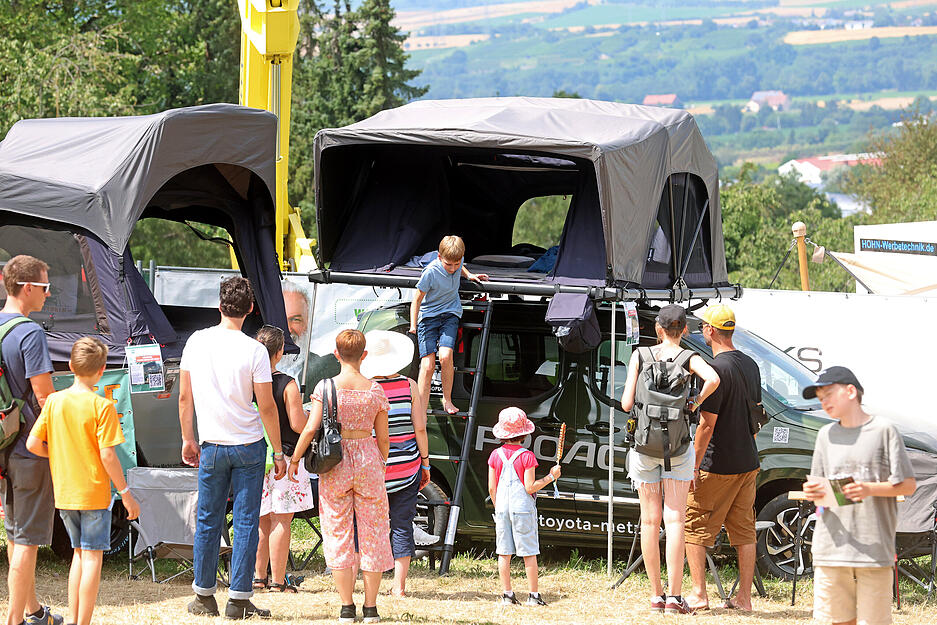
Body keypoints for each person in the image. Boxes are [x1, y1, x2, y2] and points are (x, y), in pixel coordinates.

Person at [178, 277, 286, 620]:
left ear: (219, 306)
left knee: (208, 521)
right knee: (246, 521)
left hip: (211, 443)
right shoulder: (254, 349)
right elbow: (266, 405)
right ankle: (239, 599)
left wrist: (187, 438)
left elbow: (185, 397)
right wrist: (279, 451)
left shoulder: (197, 341)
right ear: (251, 309)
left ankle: (204, 596)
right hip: (250, 446)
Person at [26, 337, 141, 625]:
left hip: (64, 491)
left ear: (70, 365)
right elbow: (108, 456)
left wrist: (57, 457)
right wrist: (126, 493)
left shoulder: (53, 401)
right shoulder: (102, 406)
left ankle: (76, 619)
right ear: (102, 370)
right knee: (92, 558)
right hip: (94, 493)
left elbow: (32, 444)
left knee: (78, 554)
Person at [619, 304, 719, 615]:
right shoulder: (691, 359)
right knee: (675, 519)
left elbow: (625, 404)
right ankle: (676, 598)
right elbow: (714, 379)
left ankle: (656, 595)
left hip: (644, 447)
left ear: (658, 329)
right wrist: (694, 402)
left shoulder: (640, 356)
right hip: (678, 448)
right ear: (685, 329)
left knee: (649, 521)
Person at [289, 329, 394, 624]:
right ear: (364, 355)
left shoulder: (325, 388)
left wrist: (296, 458)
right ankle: (371, 607)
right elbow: (384, 439)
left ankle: (347, 606)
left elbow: (310, 429)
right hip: (368, 460)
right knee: (373, 532)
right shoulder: (375, 390)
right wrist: (380, 461)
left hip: (334, 462)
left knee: (337, 531)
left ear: (336, 355)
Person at [801, 367, 915, 625]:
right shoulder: (825, 435)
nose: (824, 402)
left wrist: (869, 489)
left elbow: (908, 485)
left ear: (851, 391)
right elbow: (821, 490)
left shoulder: (884, 430)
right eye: (820, 398)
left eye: (829, 394)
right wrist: (814, 492)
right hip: (830, 548)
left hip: (872, 549)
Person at [685, 304, 762, 611]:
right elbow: (756, 416)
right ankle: (744, 599)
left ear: (711, 331)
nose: (702, 329)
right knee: (744, 530)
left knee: (695, 526)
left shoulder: (715, 370)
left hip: (716, 465)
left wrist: (692, 464)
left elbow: (706, 424)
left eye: (703, 326)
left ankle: (699, 595)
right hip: (747, 462)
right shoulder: (751, 364)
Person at [0, 255, 63, 625]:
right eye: (44, 286)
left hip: (3, 445)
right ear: (27, 288)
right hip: (29, 447)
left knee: (14, 533)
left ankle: (32, 610)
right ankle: (13, 620)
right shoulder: (30, 332)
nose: (48, 293)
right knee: (26, 541)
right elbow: (45, 398)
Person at [361, 330, 431, 597]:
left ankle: (371, 582)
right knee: (402, 524)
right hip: (407, 467)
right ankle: (399, 587)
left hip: (374, 468)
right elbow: (420, 428)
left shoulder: (366, 386)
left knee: (373, 525)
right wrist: (424, 462)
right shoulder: (409, 385)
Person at [252, 325, 313, 593]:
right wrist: (315, 419)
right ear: (280, 353)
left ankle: (257, 577)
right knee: (282, 520)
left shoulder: (249, 382)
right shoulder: (287, 383)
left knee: (262, 521)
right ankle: (278, 580)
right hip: (286, 458)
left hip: (257, 457)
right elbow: (298, 424)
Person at [487, 407, 560, 607]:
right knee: (529, 552)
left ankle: (507, 595)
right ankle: (533, 596)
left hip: (501, 508)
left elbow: (492, 487)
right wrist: (551, 476)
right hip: (522, 509)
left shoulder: (495, 455)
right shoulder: (527, 456)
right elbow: (530, 487)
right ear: (525, 434)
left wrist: (497, 506)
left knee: (504, 552)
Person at [409, 235, 488, 415]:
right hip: (428, 317)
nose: (453, 268)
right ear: (439, 257)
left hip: (450, 314)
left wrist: (469, 275)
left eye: (456, 264)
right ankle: (421, 407)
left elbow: (461, 268)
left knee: (445, 356)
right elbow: (417, 300)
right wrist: (413, 325)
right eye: (448, 264)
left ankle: (447, 399)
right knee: (428, 366)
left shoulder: (458, 264)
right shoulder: (430, 272)